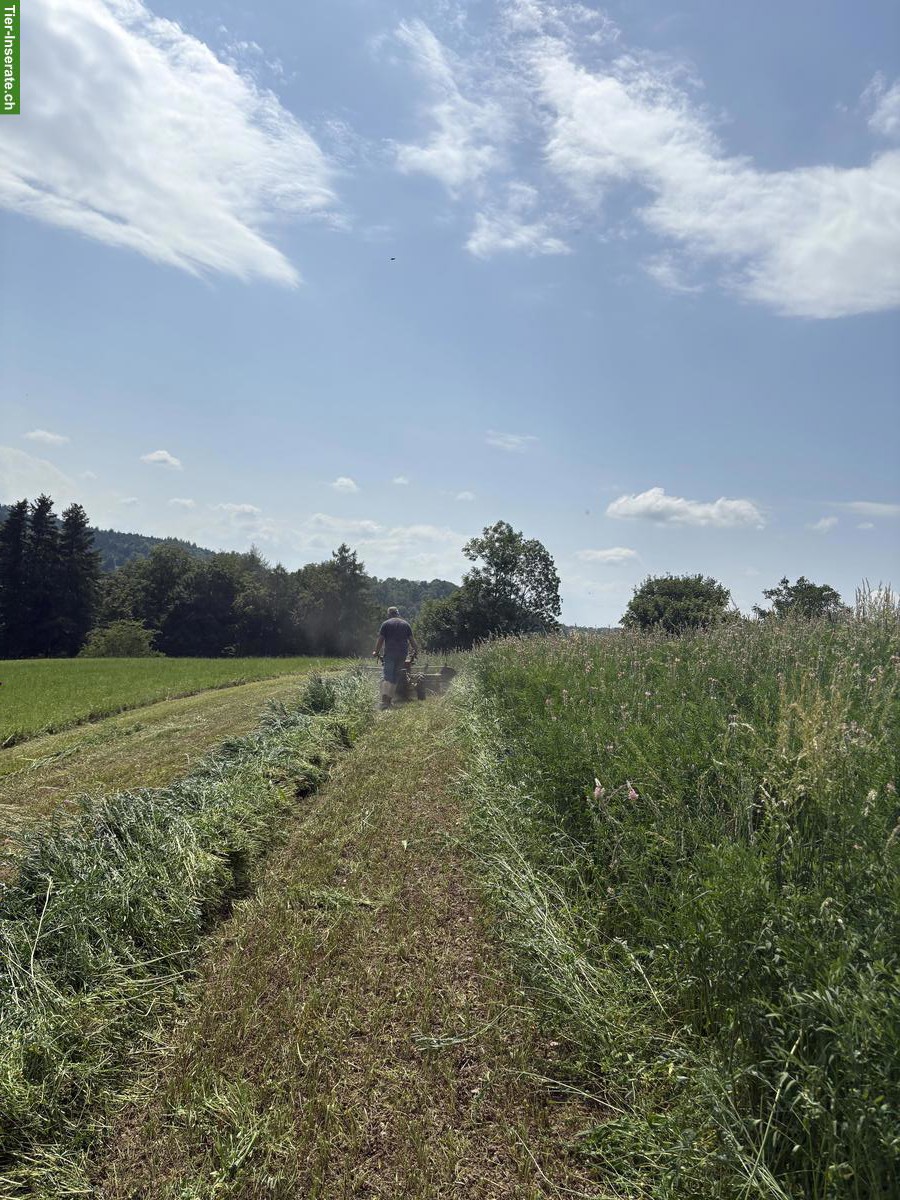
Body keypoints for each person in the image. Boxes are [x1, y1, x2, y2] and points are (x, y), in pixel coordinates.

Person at [373, 606, 418, 709]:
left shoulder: (386, 624)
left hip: (390, 653)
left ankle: (384, 702)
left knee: (387, 677)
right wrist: (416, 650)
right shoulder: (406, 624)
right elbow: (412, 640)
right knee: (395, 678)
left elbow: (381, 639)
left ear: (389, 614)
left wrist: (376, 651)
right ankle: (389, 701)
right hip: (402, 654)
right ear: (398, 614)